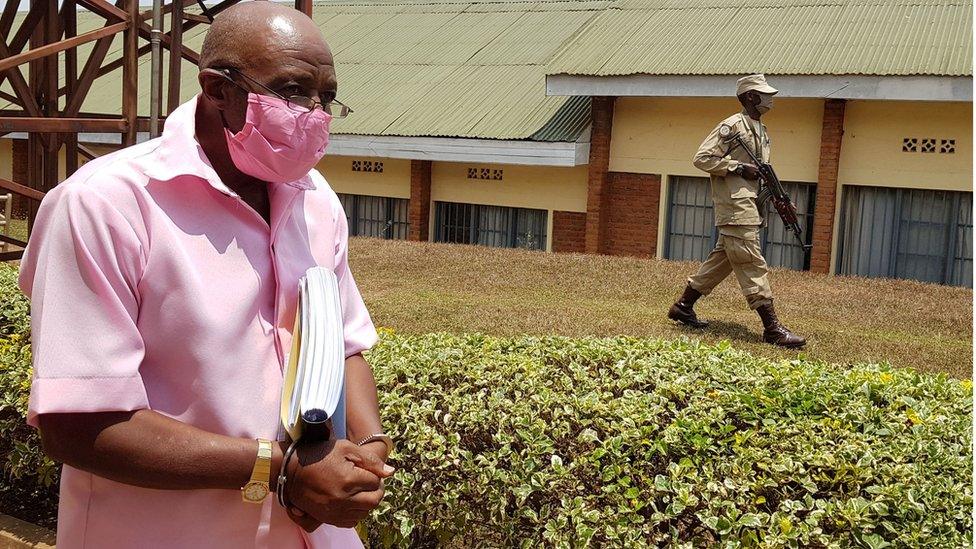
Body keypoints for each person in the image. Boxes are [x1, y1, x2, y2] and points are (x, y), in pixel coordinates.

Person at [18, 3, 394, 547]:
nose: (314, 112)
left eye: (327, 96)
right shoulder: (105, 205)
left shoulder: (315, 199)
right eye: (292, 90)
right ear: (217, 88)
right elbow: (79, 424)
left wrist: (369, 448)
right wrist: (282, 469)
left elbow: (342, 345)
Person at [668, 74, 805, 349]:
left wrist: (778, 199)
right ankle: (771, 328)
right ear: (750, 96)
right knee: (750, 261)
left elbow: (762, 174)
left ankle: (683, 306)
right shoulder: (732, 126)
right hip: (735, 205)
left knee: (725, 259)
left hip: (749, 204)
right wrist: (738, 167)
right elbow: (702, 158)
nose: (771, 98)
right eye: (765, 94)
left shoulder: (762, 131)